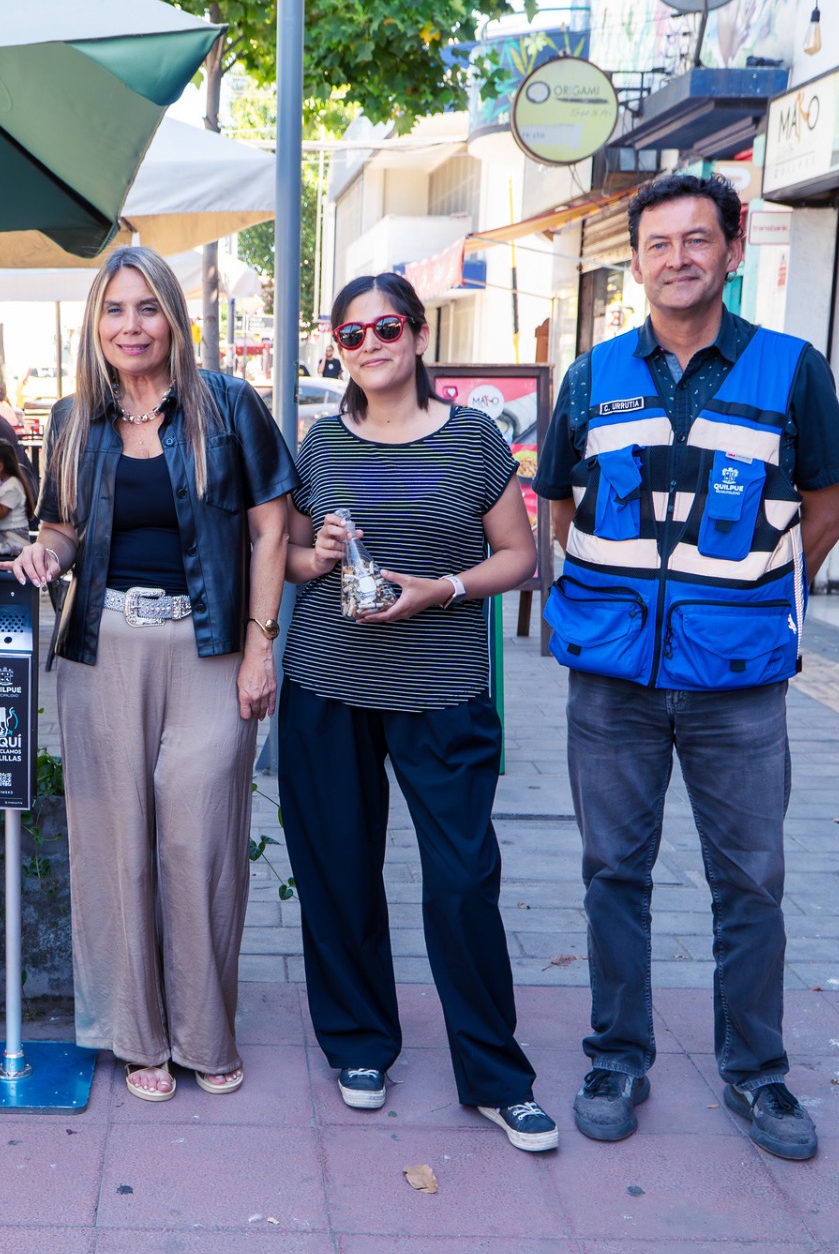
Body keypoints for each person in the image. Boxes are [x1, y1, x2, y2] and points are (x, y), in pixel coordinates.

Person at [532, 173, 839, 1161]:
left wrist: (747, 597)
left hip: (740, 685)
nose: (678, 257)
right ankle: (616, 1058)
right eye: (659, 243)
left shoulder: (791, 369)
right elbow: (557, 507)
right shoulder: (591, 375)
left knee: (750, 882)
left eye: (697, 239)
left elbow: (827, 507)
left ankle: (757, 1077)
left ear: (732, 248)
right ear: (635, 262)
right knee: (611, 874)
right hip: (614, 684)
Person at [8, 247, 294, 1102]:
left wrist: (259, 646)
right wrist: (41, 552)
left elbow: (271, 534)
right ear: (95, 325)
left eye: (145, 308)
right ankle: (137, 1035)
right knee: (115, 848)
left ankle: (204, 1030)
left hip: (208, 649)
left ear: (173, 316)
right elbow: (63, 528)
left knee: (198, 838)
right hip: (102, 650)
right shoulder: (72, 419)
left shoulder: (230, 407)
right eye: (113, 311)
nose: (130, 326)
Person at [279, 272, 554, 1152]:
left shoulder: (475, 438)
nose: (369, 346)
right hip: (327, 686)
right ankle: (360, 1043)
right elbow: (284, 557)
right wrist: (314, 554)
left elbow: (523, 557)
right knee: (338, 870)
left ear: (421, 333)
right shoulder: (320, 446)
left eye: (385, 327)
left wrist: (441, 587)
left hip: (443, 693)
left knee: (464, 880)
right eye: (350, 336)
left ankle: (496, 1073)